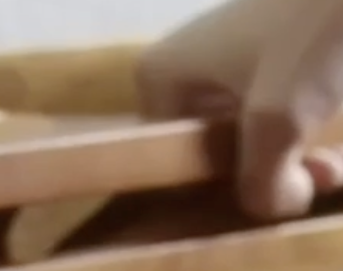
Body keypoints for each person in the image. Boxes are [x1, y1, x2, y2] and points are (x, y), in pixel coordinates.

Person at [142, 0, 343, 218]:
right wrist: (311, 179)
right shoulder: (315, 55)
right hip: (183, 113)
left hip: (266, 108)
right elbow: (265, 197)